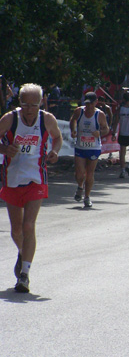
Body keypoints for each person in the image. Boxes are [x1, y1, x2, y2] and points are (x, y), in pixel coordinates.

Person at [0, 83, 63, 293]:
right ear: (20, 103)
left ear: (41, 103)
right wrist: (4, 148)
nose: (29, 109)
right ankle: (22, 252)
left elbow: (57, 138)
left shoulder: (47, 119)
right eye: (25, 104)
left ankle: (25, 275)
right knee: (16, 230)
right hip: (11, 178)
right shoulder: (10, 119)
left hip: (37, 178)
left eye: (33, 105)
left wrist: (54, 151)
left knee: (29, 226)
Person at [69, 92, 110, 208]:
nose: (88, 107)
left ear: (96, 102)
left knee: (89, 173)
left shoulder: (99, 114)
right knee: (79, 173)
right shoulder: (79, 111)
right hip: (80, 146)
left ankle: (87, 197)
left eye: (91, 104)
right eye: (87, 104)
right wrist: (73, 130)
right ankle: (80, 186)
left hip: (94, 147)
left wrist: (100, 133)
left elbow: (106, 129)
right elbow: (73, 120)